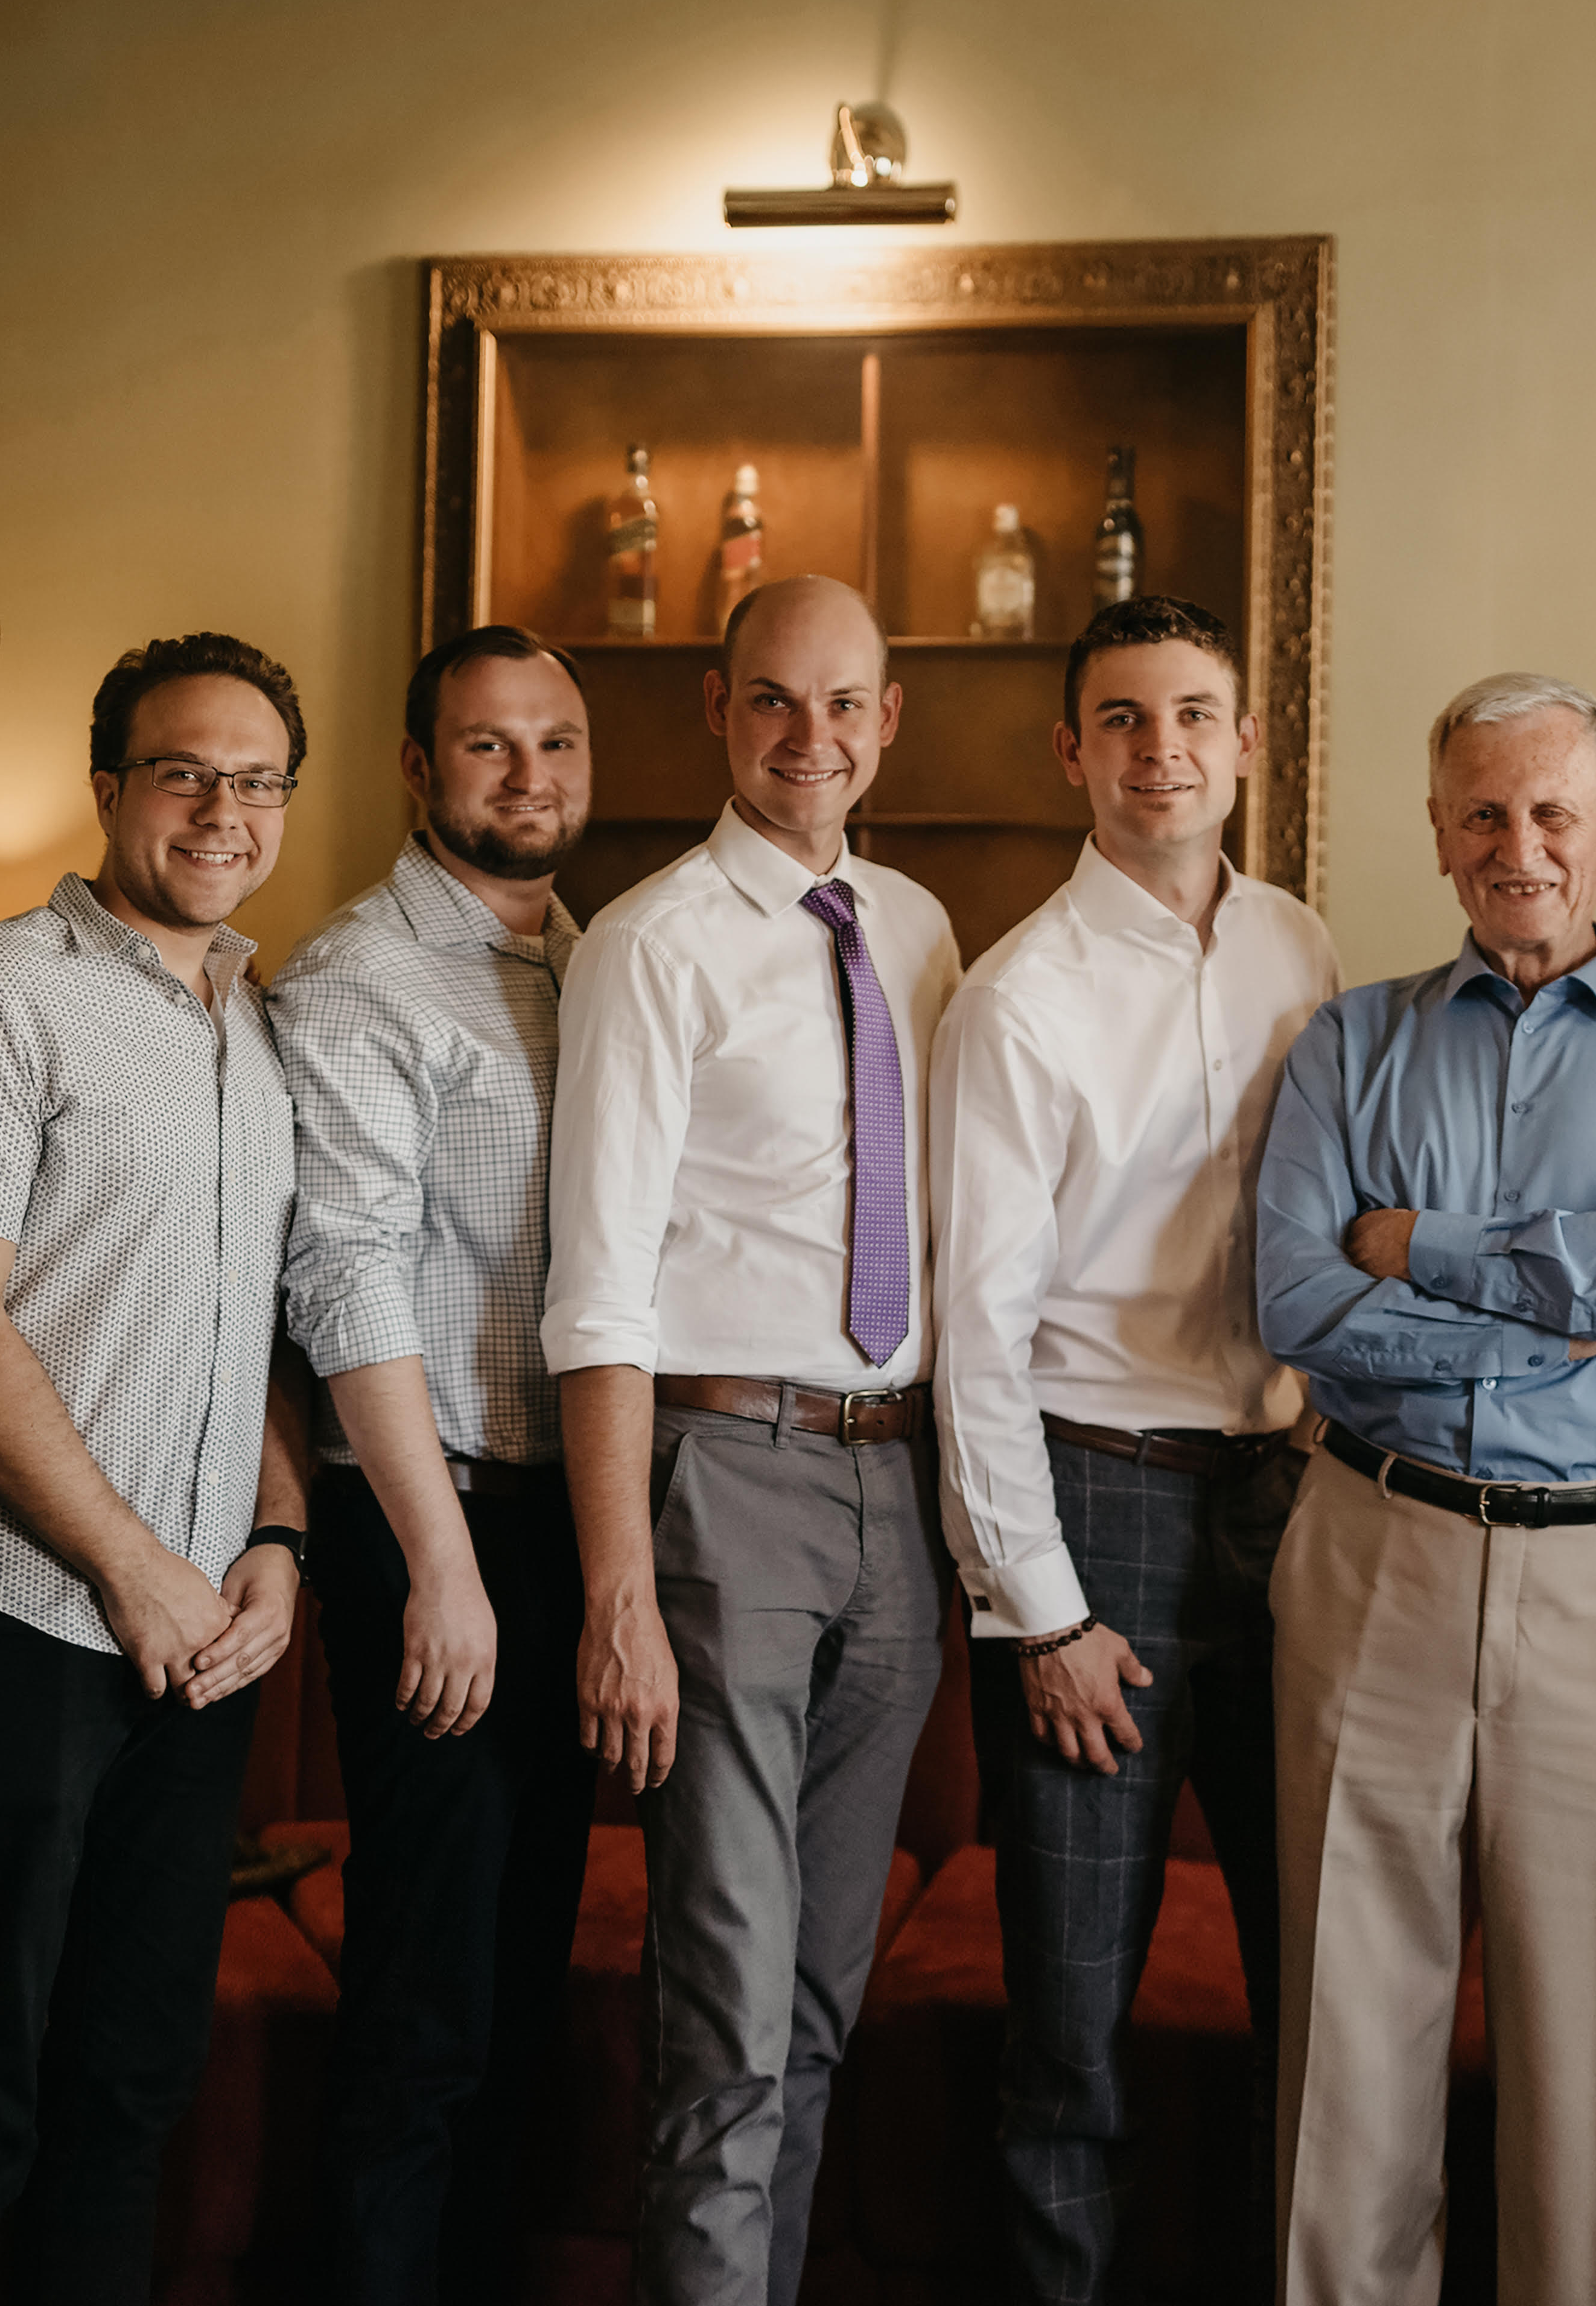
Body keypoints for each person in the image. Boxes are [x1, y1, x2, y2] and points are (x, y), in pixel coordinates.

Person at [1257, 672, 1596, 2306]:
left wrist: (1429, 1252)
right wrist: (1578, 1319)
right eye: (1484, 810)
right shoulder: (1349, 1040)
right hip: (1369, 1543)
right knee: (1349, 2034)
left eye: (1554, 812)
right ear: (1437, 832)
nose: (1519, 843)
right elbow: (1297, 1302)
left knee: (1591, 2045)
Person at [0, 632, 313, 2305]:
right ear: (110, 783)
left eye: (257, 779)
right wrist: (133, 1564)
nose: (222, 809)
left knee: (127, 2093)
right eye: (183, 769)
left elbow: (250, 1330)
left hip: (201, 1652)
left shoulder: (256, 1029)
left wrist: (277, 1531)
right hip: (20, 1621)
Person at [543, 574, 961, 2306]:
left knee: (816, 2006)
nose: (813, 739)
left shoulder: (925, 930)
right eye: (776, 702)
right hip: (726, 1487)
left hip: (898, 1492)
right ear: (717, 707)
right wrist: (618, 1590)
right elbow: (599, 1285)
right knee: (725, 1999)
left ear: (888, 720)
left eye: (845, 703)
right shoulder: (651, 944)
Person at [929, 596, 1340, 2302]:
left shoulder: (1304, 948)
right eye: (1122, 718)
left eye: (1192, 714)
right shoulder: (1018, 996)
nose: (1159, 747)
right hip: (1099, 1505)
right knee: (1074, 2025)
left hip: (1297, 1505)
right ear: (1072, 750)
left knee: (1320, 2000)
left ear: (1246, 740)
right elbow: (976, 1325)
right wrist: (1041, 1607)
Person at [271, 624, 597, 2303]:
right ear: (418, 769)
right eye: (487, 745)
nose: (528, 774)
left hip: (564, 1530)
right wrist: (445, 1571)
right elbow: (346, 1274)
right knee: (425, 2003)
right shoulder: (357, 978)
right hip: (432, 1523)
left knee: (521, 1989)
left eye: (555, 741)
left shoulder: (590, 962)